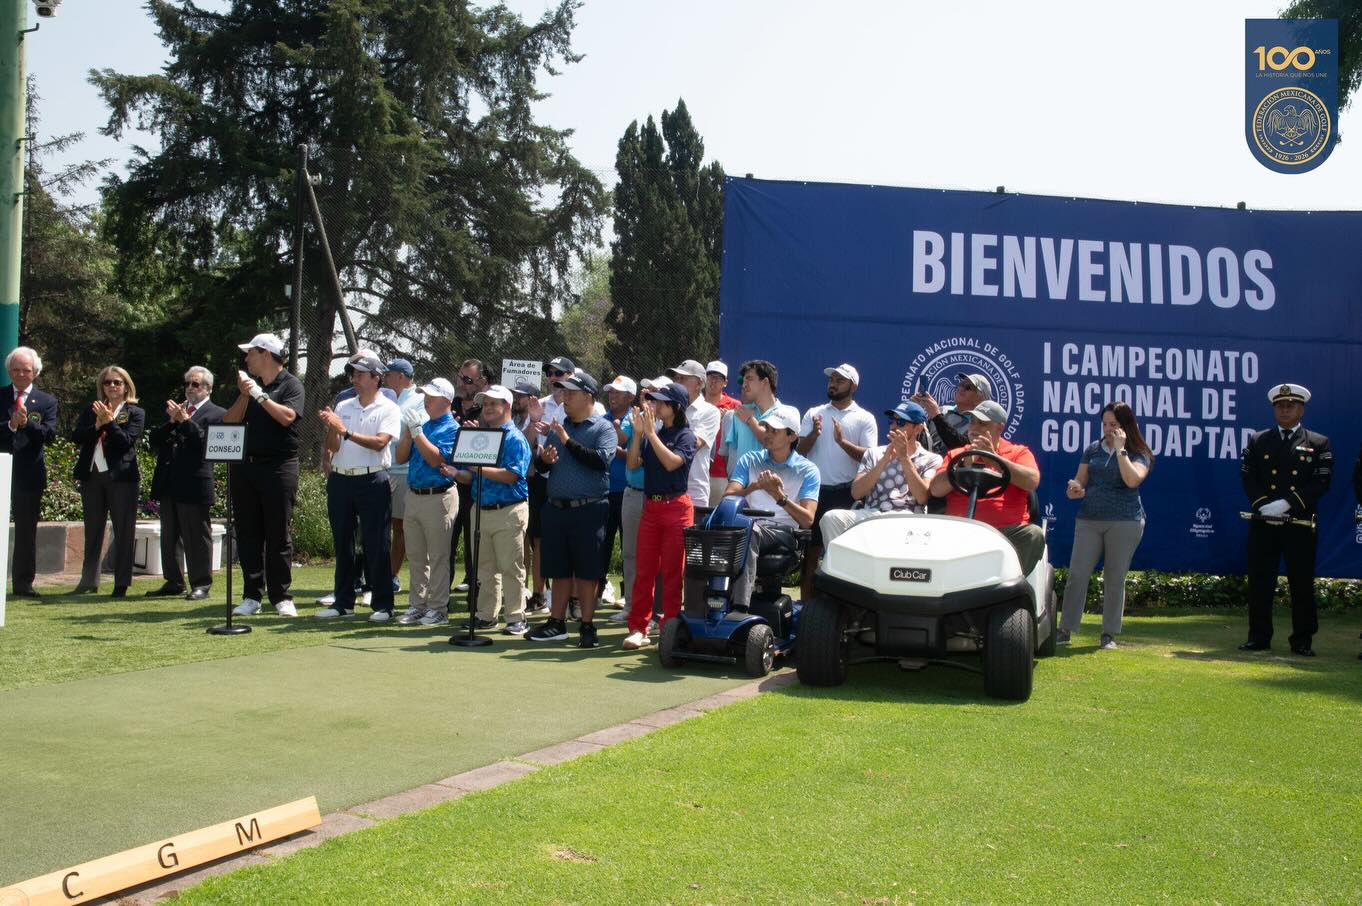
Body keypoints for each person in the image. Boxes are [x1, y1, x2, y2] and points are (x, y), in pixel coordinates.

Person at [1239, 383, 1332, 656]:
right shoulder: (1258, 440)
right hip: (1264, 521)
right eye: (1280, 406)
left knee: (1301, 583)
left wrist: (1287, 504)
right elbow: (1248, 476)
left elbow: (1321, 482)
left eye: (1291, 406)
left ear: (1301, 409)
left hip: (1299, 523)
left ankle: (1302, 640)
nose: (1285, 410)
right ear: (1274, 409)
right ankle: (1258, 636)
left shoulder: (1318, 442)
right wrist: (1265, 506)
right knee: (1260, 582)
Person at [524, 370, 615, 648]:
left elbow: (600, 462)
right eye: (563, 392)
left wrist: (565, 441)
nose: (565, 398)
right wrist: (545, 461)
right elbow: (542, 467)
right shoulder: (561, 426)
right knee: (559, 569)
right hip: (556, 508)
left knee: (587, 571)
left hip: (588, 509)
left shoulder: (603, 428)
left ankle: (587, 626)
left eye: (571, 393)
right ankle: (557, 623)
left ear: (588, 396)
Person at [1058, 401, 1153, 650]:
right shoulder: (1092, 449)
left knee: (1114, 577)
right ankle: (1065, 628)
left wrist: (1121, 451)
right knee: (1077, 574)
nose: (1108, 429)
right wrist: (1075, 489)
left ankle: (1108, 634)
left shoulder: (1139, 452)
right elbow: (1080, 481)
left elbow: (1132, 480)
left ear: (1126, 426)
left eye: (1114, 425)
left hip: (1125, 521)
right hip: (1089, 518)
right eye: (1105, 424)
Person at [315, 354, 402, 621]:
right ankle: (343, 603)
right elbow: (334, 445)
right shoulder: (344, 406)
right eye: (353, 374)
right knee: (343, 543)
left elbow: (380, 443)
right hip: (341, 479)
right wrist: (332, 427)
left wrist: (346, 431)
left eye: (361, 374)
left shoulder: (388, 408)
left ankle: (383, 605)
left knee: (377, 543)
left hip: (372, 479)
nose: (355, 378)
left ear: (376, 378)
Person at [226, 332, 305, 617]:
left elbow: (287, 417)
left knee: (277, 533)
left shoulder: (291, 385)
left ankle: (281, 596)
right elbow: (230, 421)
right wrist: (246, 396)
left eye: (251, 353)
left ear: (266, 354)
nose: (246, 359)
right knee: (247, 532)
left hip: (279, 467)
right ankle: (251, 596)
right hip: (246, 467)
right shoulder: (250, 387)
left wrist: (259, 395)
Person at [444, 385, 532, 634]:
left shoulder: (514, 437)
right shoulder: (485, 436)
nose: (489, 408)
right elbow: (473, 475)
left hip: (509, 509)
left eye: (494, 403)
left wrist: (476, 468)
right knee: (485, 568)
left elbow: (512, 476)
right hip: (481, 508)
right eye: (486, 404)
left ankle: (516, 618)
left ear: (506, 406)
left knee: (511, 567)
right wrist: (458, 473)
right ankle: (486, 616)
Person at [928, 400, 1045, 577]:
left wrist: (995, 461)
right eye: (972, 421)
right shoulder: (957, 454)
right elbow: (936, 490)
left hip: (1004, 535)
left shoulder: (1018, 452)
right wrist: (961, 468)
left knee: (1033, 535)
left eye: (982, 423)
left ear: (1000, 427)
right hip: (959, 531)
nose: (975, 427)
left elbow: (1032, 481)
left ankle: (1006, 586)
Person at [723, 405, 821, 612]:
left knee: (747, 530)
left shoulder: (808, 470)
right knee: (712, 529)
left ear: (792, 436)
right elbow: (727, 498)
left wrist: (779, 496)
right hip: (750, 528)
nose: (767, 434)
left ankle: (739, 607)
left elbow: (807, 520)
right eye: (766, 428)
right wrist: (756, 487)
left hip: (785, 535)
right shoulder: (749, 460)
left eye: (774, 431)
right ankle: (704, 608)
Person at [622, 381, 697, 650]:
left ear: (675, 407)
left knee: (672, 572)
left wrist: (651, 434)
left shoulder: (685, 436)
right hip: (650, 508)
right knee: (645, 570)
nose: (656, 406)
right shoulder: (654, 432)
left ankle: (670, 628)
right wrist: (640, 435)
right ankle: (638, 627)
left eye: (661, 402)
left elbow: (671, 463)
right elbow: (632, 464)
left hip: (677, 508)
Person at [798, 363, 878, 600]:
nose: (832, 384)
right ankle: (807, 607)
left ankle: (844, 606)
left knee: (849, 553)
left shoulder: (865, 418)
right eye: (831, 379)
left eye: (839, 380)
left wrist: (843, 442)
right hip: (815, 493)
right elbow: (800, 451)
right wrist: (813, 434)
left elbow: (869, 457)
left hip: (848, 494)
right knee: (809, 554)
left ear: (853, 386)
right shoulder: (814, 413)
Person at [145, 365, 226, 600]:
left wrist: (186, 421)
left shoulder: (217, 413)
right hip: (169, 481)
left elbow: (208, 444)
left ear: (208, 388)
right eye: (187, 384)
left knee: (196, 536)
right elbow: (156, 439)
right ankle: (173, 581)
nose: (189, 388)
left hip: (194, 482)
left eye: (195, 384)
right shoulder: (176, 411)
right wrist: (172, 422)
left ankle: (201, 584)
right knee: (169, 536)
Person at [818, 401, 941, 549]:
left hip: (907, 519)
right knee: (831, 518)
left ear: (918, 428)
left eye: (901, 422)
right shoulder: (874, 453)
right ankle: (845, 570)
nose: (894, 426)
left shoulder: (931, 459)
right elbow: (856, 493)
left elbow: (922, 497)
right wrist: (883, 461)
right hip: (871, 515)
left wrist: (904, 459)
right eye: (892, 421)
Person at [70, 365, 146, 597]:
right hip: (92, 474)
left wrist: (110, 423)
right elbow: (77, 437)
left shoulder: (135, 412)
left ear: (126, 387)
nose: (112, 386)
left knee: (123, 529)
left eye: (117, 382)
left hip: (121, 477)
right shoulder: (92, 409)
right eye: (107, 382)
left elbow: (126, 442)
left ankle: (121, 583)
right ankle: (88, 581)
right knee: (92, 529)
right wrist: (97, 424)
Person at [394, 377, 459, 626]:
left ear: (446, 400)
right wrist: (409, 434)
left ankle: (438, 608)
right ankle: (417, 605)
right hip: (415, 495)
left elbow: (436, 460)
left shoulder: (452, 428)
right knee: (417, 555)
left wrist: (417, 433)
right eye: (425, 396)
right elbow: (400, 457)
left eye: (432, 396)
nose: (426, 400)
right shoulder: (423, 424)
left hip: (439, 495)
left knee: (438, 556)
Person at [1, 346, 57, 598]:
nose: (21, 374)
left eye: (26, 370)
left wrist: (27, 424)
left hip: (29, 473)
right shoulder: (1, 396)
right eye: (16, 370)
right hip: (2, 468)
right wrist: (10, 425)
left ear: (35, 372)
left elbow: (50, 435)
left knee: (25, 530)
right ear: (9, 372)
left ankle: (23, 583)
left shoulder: (47, 401)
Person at [449, 358, 493, 593]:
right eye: (459, 377)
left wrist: (478, 433)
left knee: (473, 535)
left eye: (466, 380)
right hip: (447, 480)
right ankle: (439, 593)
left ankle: (473, 582)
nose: (460, 383)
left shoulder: (486, 408)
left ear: (482, 382)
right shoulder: (449, 405)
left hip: (474, 483)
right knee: (448, 538)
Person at [383, 358, 423, 589]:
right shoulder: (384, 396)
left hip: (404, 470)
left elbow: (414, 429)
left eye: (388, 374)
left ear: (401, 376)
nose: (384, 378)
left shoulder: (417, 399)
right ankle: (374, 575)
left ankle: (392, 575)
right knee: (379, 526)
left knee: (400, 526)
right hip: (381, 468)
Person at [512, 378, 550, 613]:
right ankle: (522, 591)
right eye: (516, 395)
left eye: (521, 396)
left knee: (538, 541)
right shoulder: (516, 419)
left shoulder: (536, 419)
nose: (517, 399)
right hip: (517, 484)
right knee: (520, 541)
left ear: (533, 398)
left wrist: (534, 420)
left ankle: (539, 593)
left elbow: (524, 446)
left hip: (534, 483)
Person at [665, 359, 721, 510]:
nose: (677, 382)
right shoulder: (664, 408)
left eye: (682, 378)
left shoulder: (710, 411)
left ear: (699, 383)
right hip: (663, 493)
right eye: (675, 378)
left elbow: (691, 445)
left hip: (693, 496)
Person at [602, 375, 638, 609]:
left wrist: (618, 450)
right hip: (604, 490)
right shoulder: (602, 419)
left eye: (618, 393)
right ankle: (600, 588)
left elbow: (631, 453)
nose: (613, 396)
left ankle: (628, 594)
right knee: (602, 543)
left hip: (627, 491)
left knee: (629, 546)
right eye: (611, 392)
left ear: (630, 397)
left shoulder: (636, 420)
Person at [721, 359, 783, 482]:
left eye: (749, 378)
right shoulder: (737, 414)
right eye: (743, 380)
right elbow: (730, 457)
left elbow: (774, 443)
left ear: (765, 382)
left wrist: (750, 421)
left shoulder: (788, 414)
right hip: (742, 492)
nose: (744, 385)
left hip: (775, 493)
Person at [913, 373, 991, 456]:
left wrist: (937, 416)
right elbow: (922, 439)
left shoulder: (979, 424)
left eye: (968, 387)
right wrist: (914, 415)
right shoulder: (942, 410)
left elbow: (961, 447)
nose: (961, 389)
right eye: (961, 384)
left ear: (980, 399)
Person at [704, 361, 741, 504]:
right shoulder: (696, 403)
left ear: (725, 382)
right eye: (710, 376)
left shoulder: (735, 406)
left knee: (718, 522)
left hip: (722, 475)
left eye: (718, 378)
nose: (713, 380)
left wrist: (726, 421)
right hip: (697, 474)